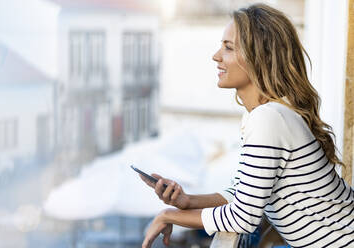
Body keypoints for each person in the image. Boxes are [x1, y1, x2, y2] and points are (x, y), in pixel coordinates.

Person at [139, 3, 354, 248]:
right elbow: (241, 193)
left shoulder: (269, 118)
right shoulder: (262, 115)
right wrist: (187, 201)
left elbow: (244, 217)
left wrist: (170, 215)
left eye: (228, 47)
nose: (216, 56)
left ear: (258, 57)